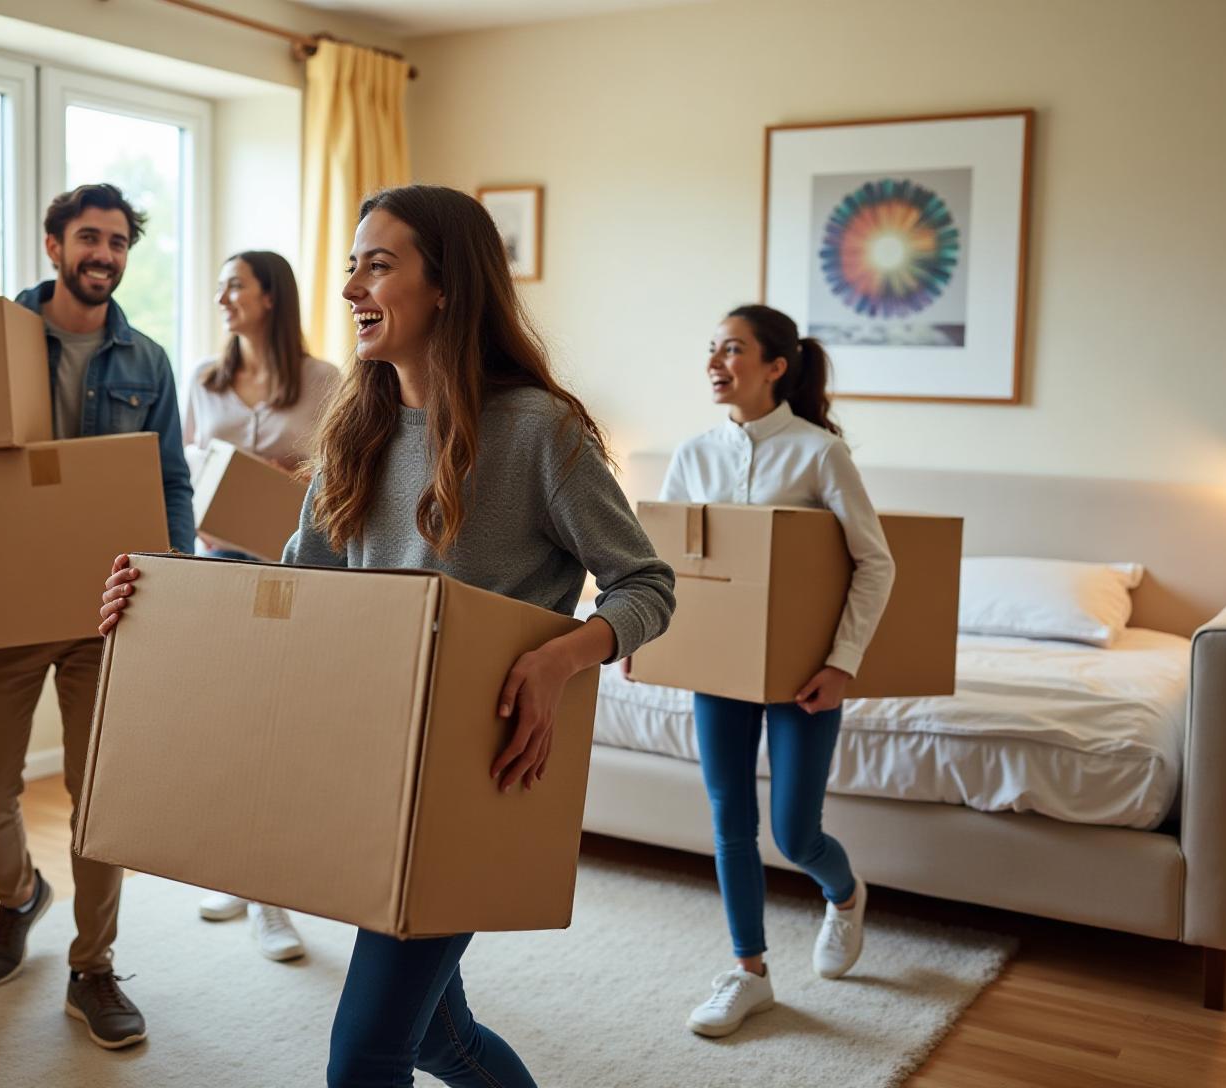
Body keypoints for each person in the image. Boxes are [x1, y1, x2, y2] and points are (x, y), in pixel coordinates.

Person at [99, 185, 676, 1086]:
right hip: (366, 764)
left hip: (473, 777)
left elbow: (646, 584)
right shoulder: (356, 428)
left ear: (446, 284)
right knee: (439, 1038)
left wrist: (562, 655)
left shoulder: (536, 430)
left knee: (364, 1055)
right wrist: (165, 590)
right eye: (349, 267)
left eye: (378, 264)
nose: (350, 289)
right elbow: (300, 589)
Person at [0, 183, 195, 1052]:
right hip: (1, 607)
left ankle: (93, 966)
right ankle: (18, 896)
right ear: (53, 245)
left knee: (102, 797)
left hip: (104, 610)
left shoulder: (148, 362)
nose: (105, 254)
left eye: (119, 242)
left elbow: (168, 481)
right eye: (89, 238)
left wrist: (175, 578)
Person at [657, 304, 895, 1038]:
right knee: (731, 821)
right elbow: (665, 570)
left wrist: (842, 665)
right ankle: (749, 970)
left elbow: (875, 563)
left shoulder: (819, 454)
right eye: (711, 349)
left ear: (775, 366)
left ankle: (846, 894)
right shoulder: (692, 455)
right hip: (719, 673)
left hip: (804, 676)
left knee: (794, 834)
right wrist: (651, 645)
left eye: (732, 349)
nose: (715, 363)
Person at [181, 248, 342, 960]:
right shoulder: (204, 381)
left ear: (270, 295)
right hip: (219, 565)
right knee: (228, 727)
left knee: (278, 730)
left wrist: (293, 473)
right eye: (220, 287)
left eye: (234, 286)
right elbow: (184, 465)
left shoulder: (323, 381)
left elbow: (346, 471)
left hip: (293, 572)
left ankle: (274, 896)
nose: (222, 298)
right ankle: (240, 877)